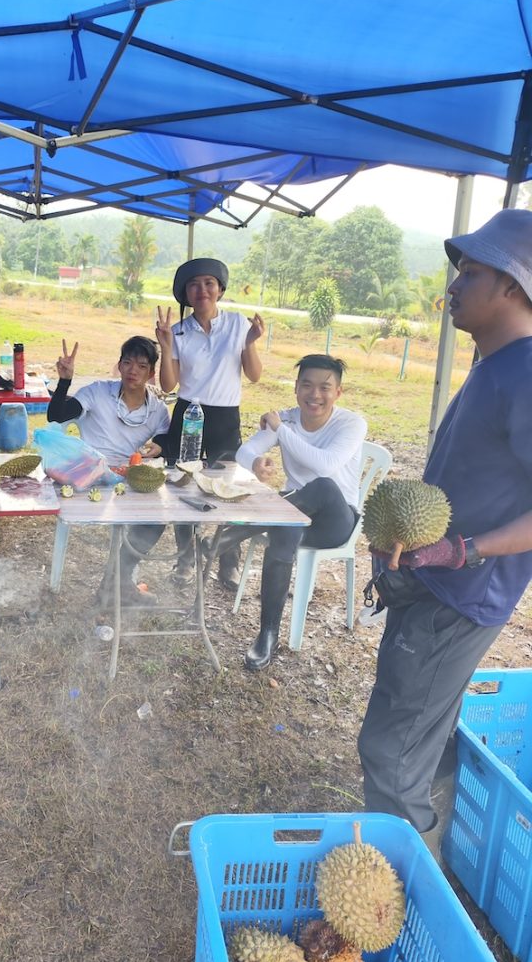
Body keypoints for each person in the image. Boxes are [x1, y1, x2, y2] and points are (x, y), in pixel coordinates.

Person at [358, 209, 532, 846]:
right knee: (416, 728)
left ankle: (402, 904)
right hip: (436, 584)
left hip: (462, 594)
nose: (453, 286)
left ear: (514, 285)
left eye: (471, 272)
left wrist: (464, 550)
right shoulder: (496, 364)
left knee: (391, 751)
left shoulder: (528, 371)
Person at [226, 354, 366, 670]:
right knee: (285, 527)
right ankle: (268, 635)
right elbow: (244, 450)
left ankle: (238, 531)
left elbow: (325, 465)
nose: (315, 395)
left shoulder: (352, 424)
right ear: (296, 388)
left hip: (336, 520)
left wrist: (281, 429)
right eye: (307, 385)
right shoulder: (286, 419)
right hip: (293, 512)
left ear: (338, 392)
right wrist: (255, 463)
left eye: (325, 388)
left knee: (323, 486)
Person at [156, 257, 264, 589]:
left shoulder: (238, 325)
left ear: (219, 289)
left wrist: (251, 342)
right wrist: (165, 347)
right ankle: (185, 560)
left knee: (229, 489)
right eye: (193, 285)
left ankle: (227, 560)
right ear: (185, 294)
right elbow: (168, 386)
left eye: (208, 283)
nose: (202, 290)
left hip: (225, 417)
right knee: (183, 486)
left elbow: (255, 375)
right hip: (188, 414)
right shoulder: (177, 331)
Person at [47, 334, 171, 605]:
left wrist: (159, 447)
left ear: (151, 373)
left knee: (157, 519)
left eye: (141, 366)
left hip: (124, 479)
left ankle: (117, 581)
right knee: (132, 513)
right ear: (119, 365)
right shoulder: (98, 392)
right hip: (85, 475)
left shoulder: (158, 411)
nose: (132, 371)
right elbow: (57, 416)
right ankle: (118, 585)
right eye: (127, 363)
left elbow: (165, 440)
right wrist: (65, 380)